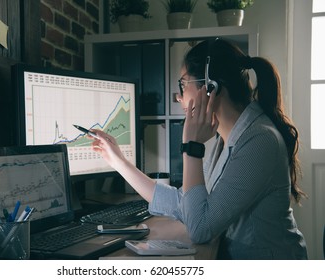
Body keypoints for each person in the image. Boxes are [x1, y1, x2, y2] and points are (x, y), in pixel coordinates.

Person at [90, 38, 308, 260]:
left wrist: (191, 145)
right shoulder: (229, 138)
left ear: (210, 86)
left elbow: (200, 227)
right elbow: (185, 203)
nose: (178, 97)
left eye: (183, 85)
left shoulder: (260, 141)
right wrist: (118, 161)